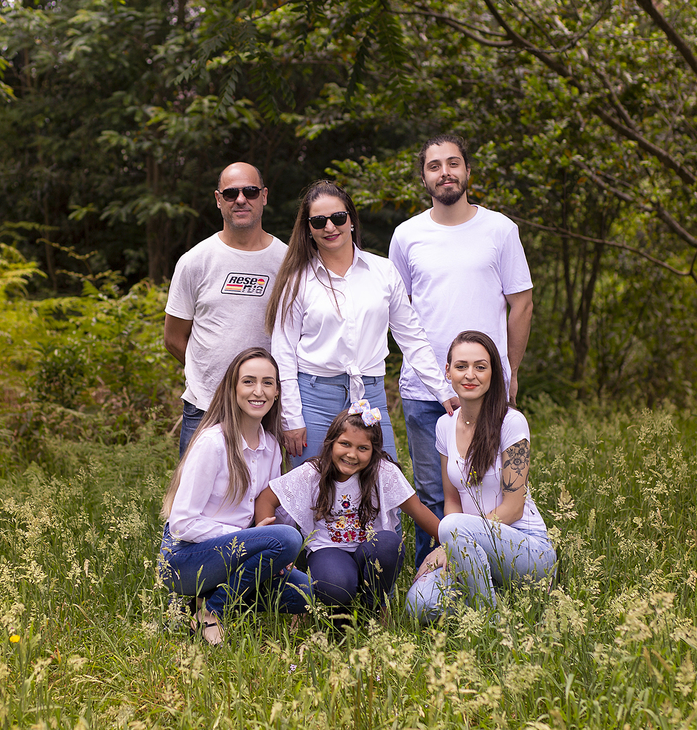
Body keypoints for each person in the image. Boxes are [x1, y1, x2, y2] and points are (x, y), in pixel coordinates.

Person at [389, 134, 535, 570]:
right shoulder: (407, 235)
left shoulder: (499, 229)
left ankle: (495, 571)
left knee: (493, 486)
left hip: (485, 386)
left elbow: (522, 302)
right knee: (433, 492)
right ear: (424, 177)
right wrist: (432, 378)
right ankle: (430, 578)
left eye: (453, 163)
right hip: (423, 389)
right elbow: (398, 313)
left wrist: (510, 369)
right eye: (435, 166)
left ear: (468, 171)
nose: (445, 172)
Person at [266, 180, 458, 472]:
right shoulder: (296, 280)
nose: (330, 227)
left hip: (370, 394)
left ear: (352, 220)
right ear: (308, 229)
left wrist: (442, 391)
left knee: (385, 485)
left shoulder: (382, 271)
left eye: (338, 218)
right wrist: (292, 418)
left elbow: (412, 339)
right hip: (314, 398)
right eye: (319, 221)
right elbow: (283, 352)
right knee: (311, 491)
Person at [159, 347, 311, 645]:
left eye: (268, 382)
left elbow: (273, 516)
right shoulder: (213, 443)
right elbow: (181, 523)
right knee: (286, 540)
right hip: (186, 560)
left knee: (310, 593)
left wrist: (279, 554)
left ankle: (206, 600)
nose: (259, 391)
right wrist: (250, 537)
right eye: (249, 381)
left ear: (278, 392)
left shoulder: (271, 447)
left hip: (237, 555)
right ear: (233, 388)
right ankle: (212, 612)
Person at [406, 331, 555, 621]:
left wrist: (455, 538)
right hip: (466, 545)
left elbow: (514, 507)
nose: (469, 374)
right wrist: (455, 544)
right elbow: (451, 500)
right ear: (447, 372)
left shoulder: (511, 422)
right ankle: (496, 593)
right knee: (419, 604)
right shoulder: (444, 426)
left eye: (480, 366)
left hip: (525, 548)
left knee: (452, 526)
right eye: (461, 366)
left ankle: (486, 623)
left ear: (493, 374)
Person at [255, 401, 439, 617]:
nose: (352, 454)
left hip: (371, 548)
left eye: (363, 448)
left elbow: (418, 510)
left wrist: (450, 542)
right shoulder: (312, 473)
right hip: (327, 550)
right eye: (345, 444)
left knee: (390, 544)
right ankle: (340, 606)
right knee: (336, 586)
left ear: (374, 451)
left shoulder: (383, 473)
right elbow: (266, 499)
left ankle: (374, 605)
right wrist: (275, 549)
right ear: (331, 443)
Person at [164, 163, 288, 456]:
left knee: (261, 499)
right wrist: (213, 378)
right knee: (195, 498)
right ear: (219, 199)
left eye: (250, 191)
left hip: (265, 409)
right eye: (231, 193)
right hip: (206, 407)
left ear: (264, 196)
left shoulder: (287, 261)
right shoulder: (195, 261)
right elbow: (173, 338)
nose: (241, 199)